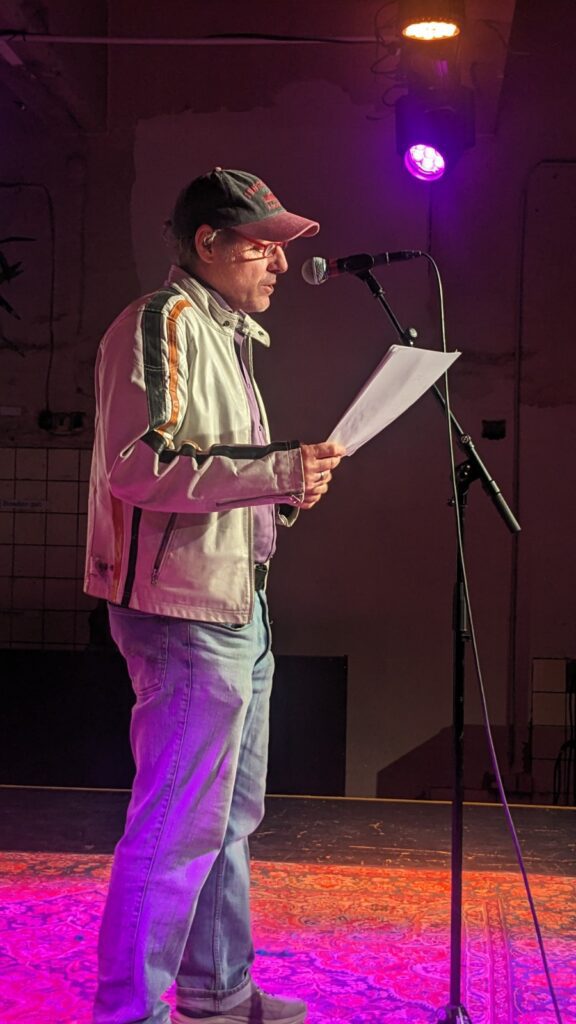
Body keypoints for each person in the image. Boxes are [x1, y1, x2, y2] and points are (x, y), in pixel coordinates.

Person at [84, 167, 345, 1024]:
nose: (280, 262)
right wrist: (275, 470)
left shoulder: (223, 335)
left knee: (228, 815)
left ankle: (217, 991)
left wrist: (287, 486)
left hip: (236, 606)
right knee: (176, 824)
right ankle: (131, 1012)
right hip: (183, 613)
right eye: (263, 245)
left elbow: (217, 473)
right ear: (209, 242)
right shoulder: (162, 321)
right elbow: (141, 466)